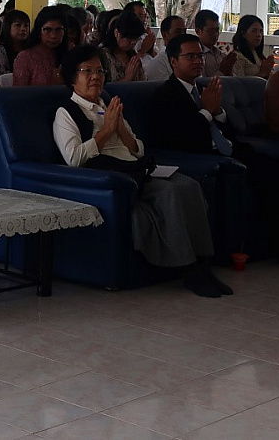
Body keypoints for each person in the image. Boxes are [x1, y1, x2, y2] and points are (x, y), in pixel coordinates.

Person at [52, 44, 230, 298]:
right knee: (169, 192)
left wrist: (121, 130)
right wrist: (106, 131)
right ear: (72, 78)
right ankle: (188, 269)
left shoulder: (108, 103)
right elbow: (74, 158)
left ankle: (204, 263)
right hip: (114, 175)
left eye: (99, 71)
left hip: (136, 167)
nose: (95, 77)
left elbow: (138, 149)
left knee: (189, 185)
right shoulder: (66, 112)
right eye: (87, 71)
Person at [143, 34, 232, 157]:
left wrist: (217, 112)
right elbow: (184, 137)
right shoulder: (164, 96)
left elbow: (230, 132)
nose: (198, 61)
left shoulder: (204, 89)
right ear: (174, 61)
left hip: (228, 148)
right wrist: (207, 111)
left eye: (200, 56)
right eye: (191, 57)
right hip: (199, 156)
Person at [12, 6, 70, 88]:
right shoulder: (25, 58)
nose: (53, 36)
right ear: (39, 31)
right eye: (48, 30)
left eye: (58, 30)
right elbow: (18, 92)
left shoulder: (68, 55)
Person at [100, 11, 149, 84]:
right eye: (129, 39)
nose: (132, 43)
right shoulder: (102, 56)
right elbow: (102, 88)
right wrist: (127, 78)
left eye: (135, 39)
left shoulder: (133, 55)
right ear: (117, 33)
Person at [0, 8, 31, 79]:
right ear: (8, 27)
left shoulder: (31, 49)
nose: (23, 29)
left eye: (26, 25)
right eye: (18, 25)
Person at [230, 14, 276, 79]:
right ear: (243, 33)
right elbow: (239, 83)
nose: (259, 35)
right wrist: (262, 73)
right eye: (254, 31)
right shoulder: (237, 57)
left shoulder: (258, 54)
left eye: (261, 31)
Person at [143, 16, 187, 81]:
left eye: (184, 31)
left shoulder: (190, 58)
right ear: (165, 35)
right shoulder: (158, 63)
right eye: (178, 32)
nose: (183, 35)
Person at [193, 10, 234, 77]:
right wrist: (222, 72)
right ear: (198, 31)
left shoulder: (220, 54)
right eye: (211, 31)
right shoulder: (196, 57)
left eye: (217, 30)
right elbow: (200, 81)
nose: (215, 34)